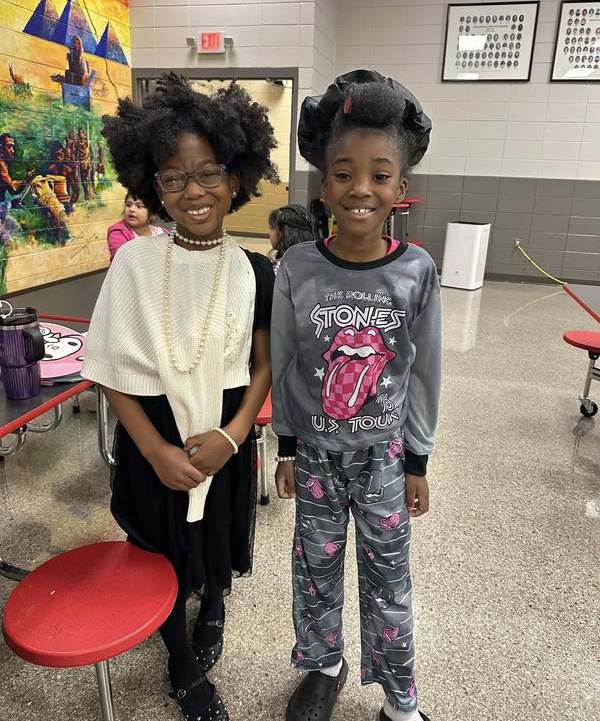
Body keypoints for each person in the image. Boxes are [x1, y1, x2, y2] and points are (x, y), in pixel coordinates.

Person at [81, 73, 277, 721]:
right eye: (173, 177)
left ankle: (214, 602)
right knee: (161, 547)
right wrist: (155, 449)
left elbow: (263, 364)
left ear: (236, 175)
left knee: (216, 532)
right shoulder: (135, 264)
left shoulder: (255, 269)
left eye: (209, 172)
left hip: (224, 433)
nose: (194, 190)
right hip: (156, 435)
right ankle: (181, 661)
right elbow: (108, 365)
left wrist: (234, 434)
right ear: (151, 185)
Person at [271, 70, 441, 721]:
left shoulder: (416, 272)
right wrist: (285, 446)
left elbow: (425, 375)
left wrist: (419, 459)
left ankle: (400, 702)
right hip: (314, 457)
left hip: (385, 461)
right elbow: (285, 362)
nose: (360, 188)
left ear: (401, 188)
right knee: (315, 575)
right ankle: (322, 665)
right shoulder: (298, 269)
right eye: (343, 173)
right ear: (324, 185)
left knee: (390, 582)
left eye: (378, 174)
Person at [107, 191, 165, 262]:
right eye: (128, 205)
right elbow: (123, 259)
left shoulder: (161, 232)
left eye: (139, 206)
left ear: (152, 212)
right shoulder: (118, 231)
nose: (131, 209)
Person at [268, 203, 316, 274]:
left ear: (283, 233)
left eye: (272, 228)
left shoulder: (277, 271)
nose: (269, 234)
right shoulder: (315, 260)